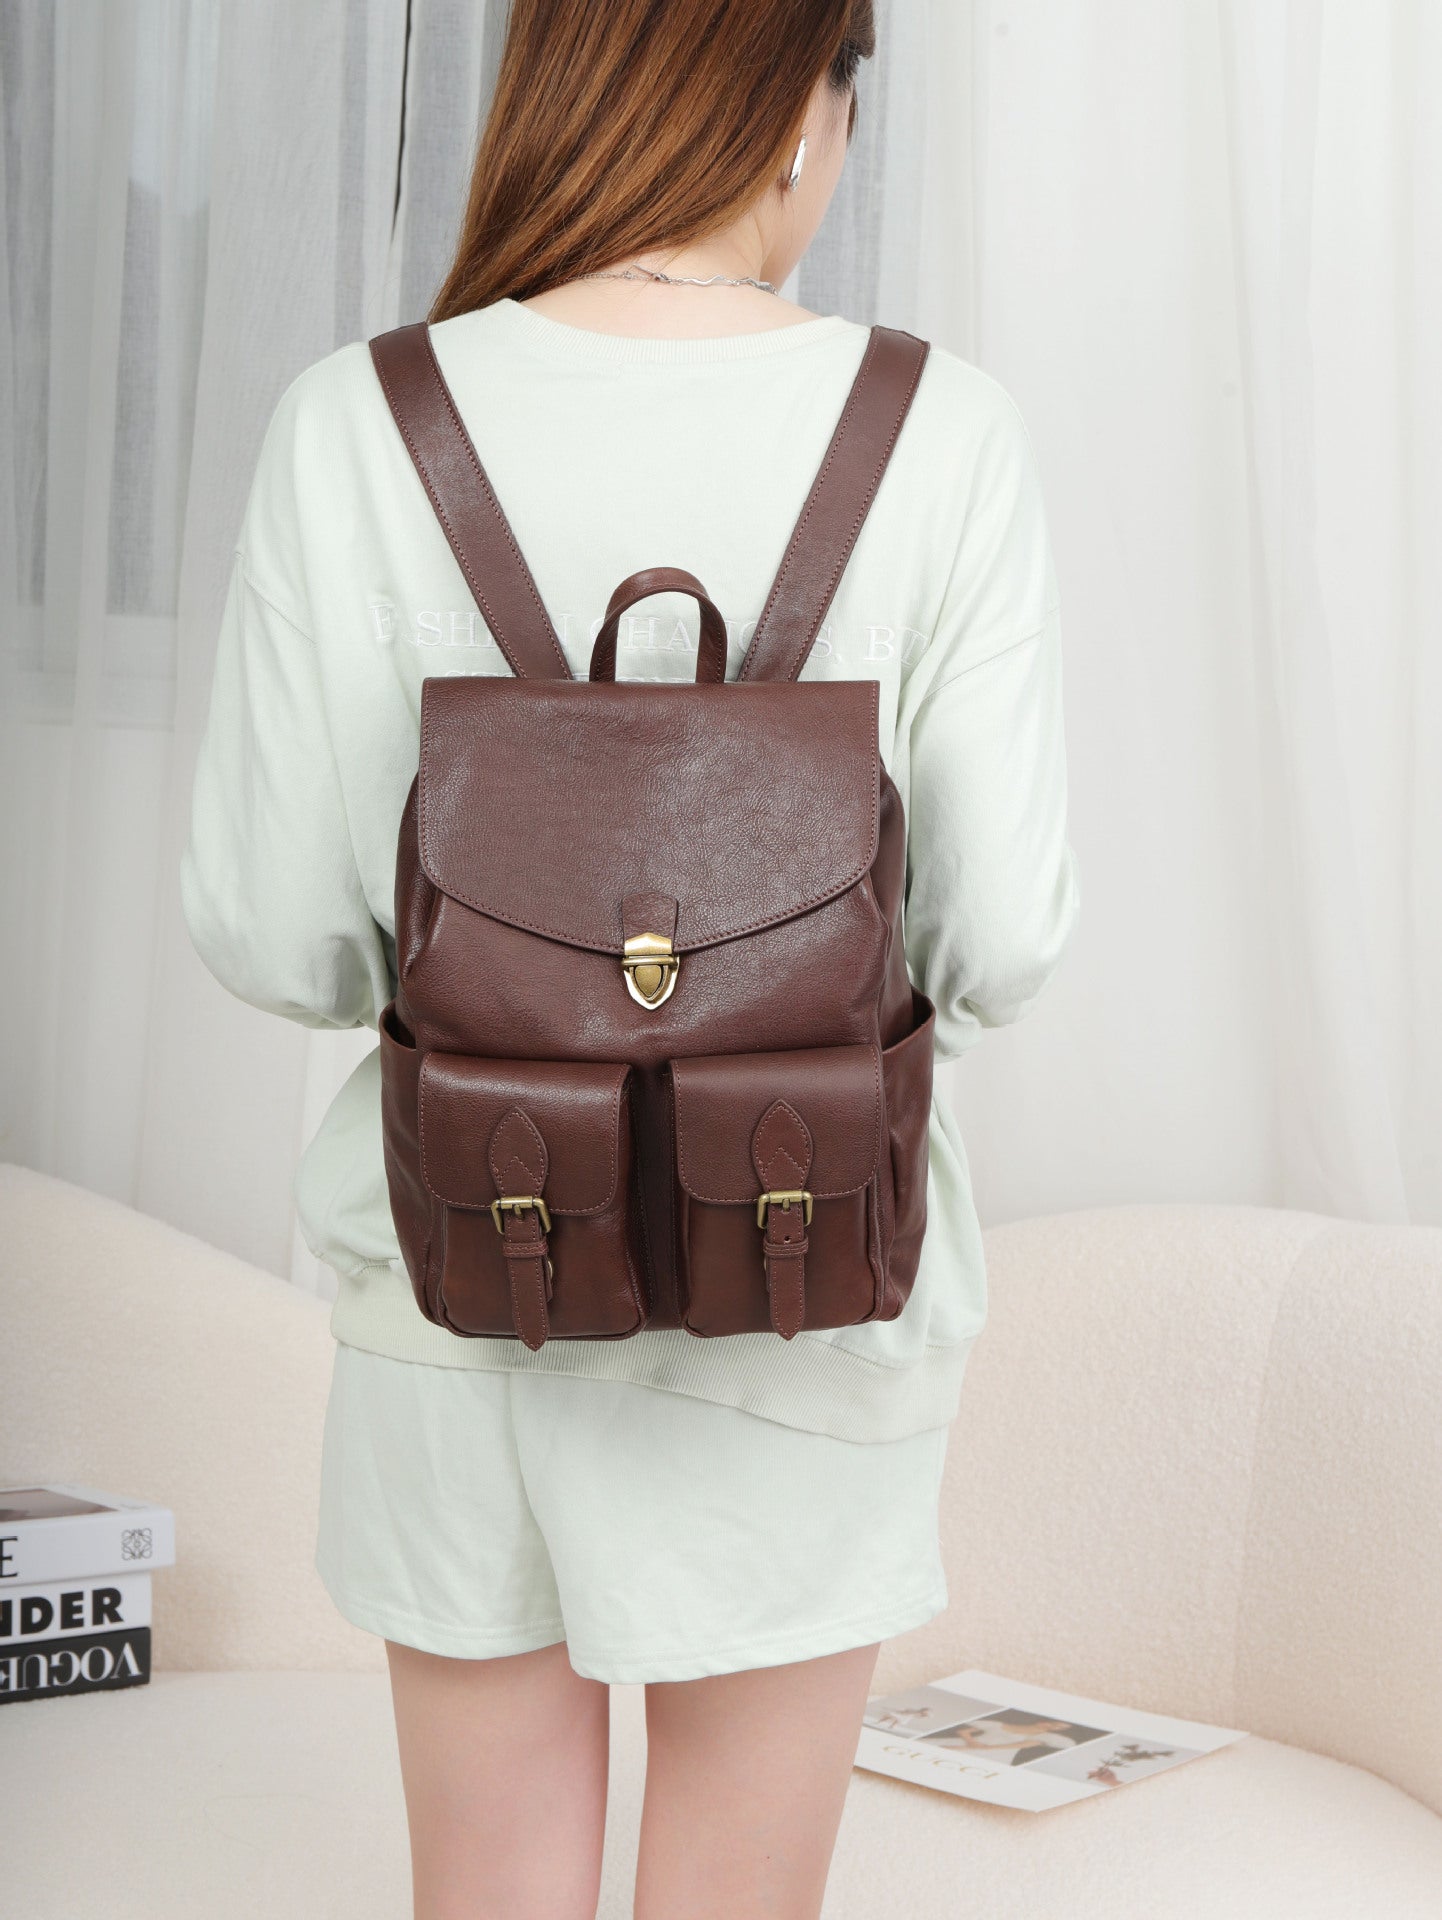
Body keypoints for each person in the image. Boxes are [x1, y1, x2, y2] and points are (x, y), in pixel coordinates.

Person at [180, 3, 1081, 1915]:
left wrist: (530, 968)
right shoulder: (939, 427)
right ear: (795, 113)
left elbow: (274, 934)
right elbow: (997, 944)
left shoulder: (355, 419)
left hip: (464, 1264)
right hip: (802, 1264)